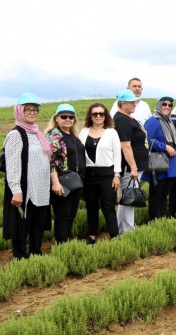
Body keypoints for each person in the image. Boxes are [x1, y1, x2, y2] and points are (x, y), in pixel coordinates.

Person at [3, 93, 52, 258]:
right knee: (22, 226)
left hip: (41, 188)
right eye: (28, 109)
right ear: (19, 111)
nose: (32, 112)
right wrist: (16, 190)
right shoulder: (16, 134)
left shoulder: (38, 133)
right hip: (25, 189)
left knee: (37, 226)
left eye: (35, 109)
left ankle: (36, 254)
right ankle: (20, 259)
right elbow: (13, 165)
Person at [79, 103, 121, 244]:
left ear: (105, 116)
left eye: (101, 114)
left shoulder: (111, 132)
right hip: (89, 175)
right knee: (91, 207)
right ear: (90, 116)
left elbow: (117, 155)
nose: (98, 116)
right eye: (95, 114)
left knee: (108, 207)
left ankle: (114, 236)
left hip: (106, 174)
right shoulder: (84, 132)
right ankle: (91, 236)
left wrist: (116, 175)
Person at [45, 104, 86, 244]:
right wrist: (55, 183)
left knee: (71, 214)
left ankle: (65, 241)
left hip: (74, 181)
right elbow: (51, 160)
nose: (68, 119)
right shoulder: (54, 135)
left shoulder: (73, 135)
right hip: (62, 181)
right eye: (64, 117)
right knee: (63, 214)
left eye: (71, 117)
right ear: (56, 118)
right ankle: (62, 244)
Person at [142, 95, 176, 220]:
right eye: (164, 104)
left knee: (164, 193)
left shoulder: (168, 120)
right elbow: (147, 140)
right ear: (159, 105)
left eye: (170, 105)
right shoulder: (153, 121)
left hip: (169, 163)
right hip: (159, 163)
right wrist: (165, 147)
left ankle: (161, 218)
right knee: (157, 193)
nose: (167, 107)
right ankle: (154, 219)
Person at [113, 89, 149, 234]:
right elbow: (125, 146)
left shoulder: (128, 118)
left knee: (127, 198)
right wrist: (133, 167)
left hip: (134, 166)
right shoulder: (122, 120)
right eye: (132, 102)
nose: (135, 103)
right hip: (129, 167)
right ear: (123, 103)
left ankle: (120, 230)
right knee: (129, 198)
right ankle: (128, 232)